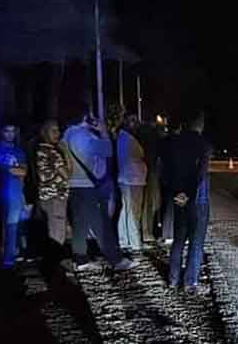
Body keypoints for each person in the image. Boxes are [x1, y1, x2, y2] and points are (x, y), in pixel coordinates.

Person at [63, 113, 134, 272]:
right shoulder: (81, 135)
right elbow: (106, 151)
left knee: (80, 224)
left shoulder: (66, 134)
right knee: (101, 223)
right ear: (84, 117)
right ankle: (115, 259)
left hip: (74, 184)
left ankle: (81, 259)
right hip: (88, 183)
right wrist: (103, 132)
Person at [162, 112, 211, 293]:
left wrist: (177, 193)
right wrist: (188, 194)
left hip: (178, 198)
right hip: (197, 199)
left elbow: (165, 170)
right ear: (200, 126)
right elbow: (200, 175)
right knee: (196, 242)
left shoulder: (173, 143)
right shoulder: (203, 145)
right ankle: (190, 282)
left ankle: (173, 279)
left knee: (179, 239)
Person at [0, 123, 28, 269]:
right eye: (7, 131)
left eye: (13, 131)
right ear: (1, 132)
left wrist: (10, 169)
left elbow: (23, 172)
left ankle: (9, 260)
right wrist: (13, 169)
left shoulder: (19, 151)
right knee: (1, 226)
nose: (10, 134)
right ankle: (0, 258)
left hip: (15, 193)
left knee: (13, 226)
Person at [32, 120, 72, 256]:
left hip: (47, 197)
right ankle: (56, 265)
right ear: (45, 133)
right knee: (57, 234)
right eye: (53, 131)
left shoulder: (40, 150)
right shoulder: (52, 153)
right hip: (55, 197)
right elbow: (67, 174)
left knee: (54, 230)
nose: (58, 134)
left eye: (58, 131)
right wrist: (66, 152)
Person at [116, 114, 148, 251]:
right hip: (133, 178)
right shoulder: (130, 140)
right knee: (134, 211)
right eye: (134, 123)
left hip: (125, 178)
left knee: (126, 210)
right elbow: (140, 154)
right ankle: (135, 242)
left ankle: (124, 240)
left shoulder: (120, 138)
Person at [139, 122, 164, 241]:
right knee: (151, 204)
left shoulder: (140, 142)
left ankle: (146, 231)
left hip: (142, 174)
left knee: (146, 205)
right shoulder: (153, 145)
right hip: (150, 174)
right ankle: (148, 232)